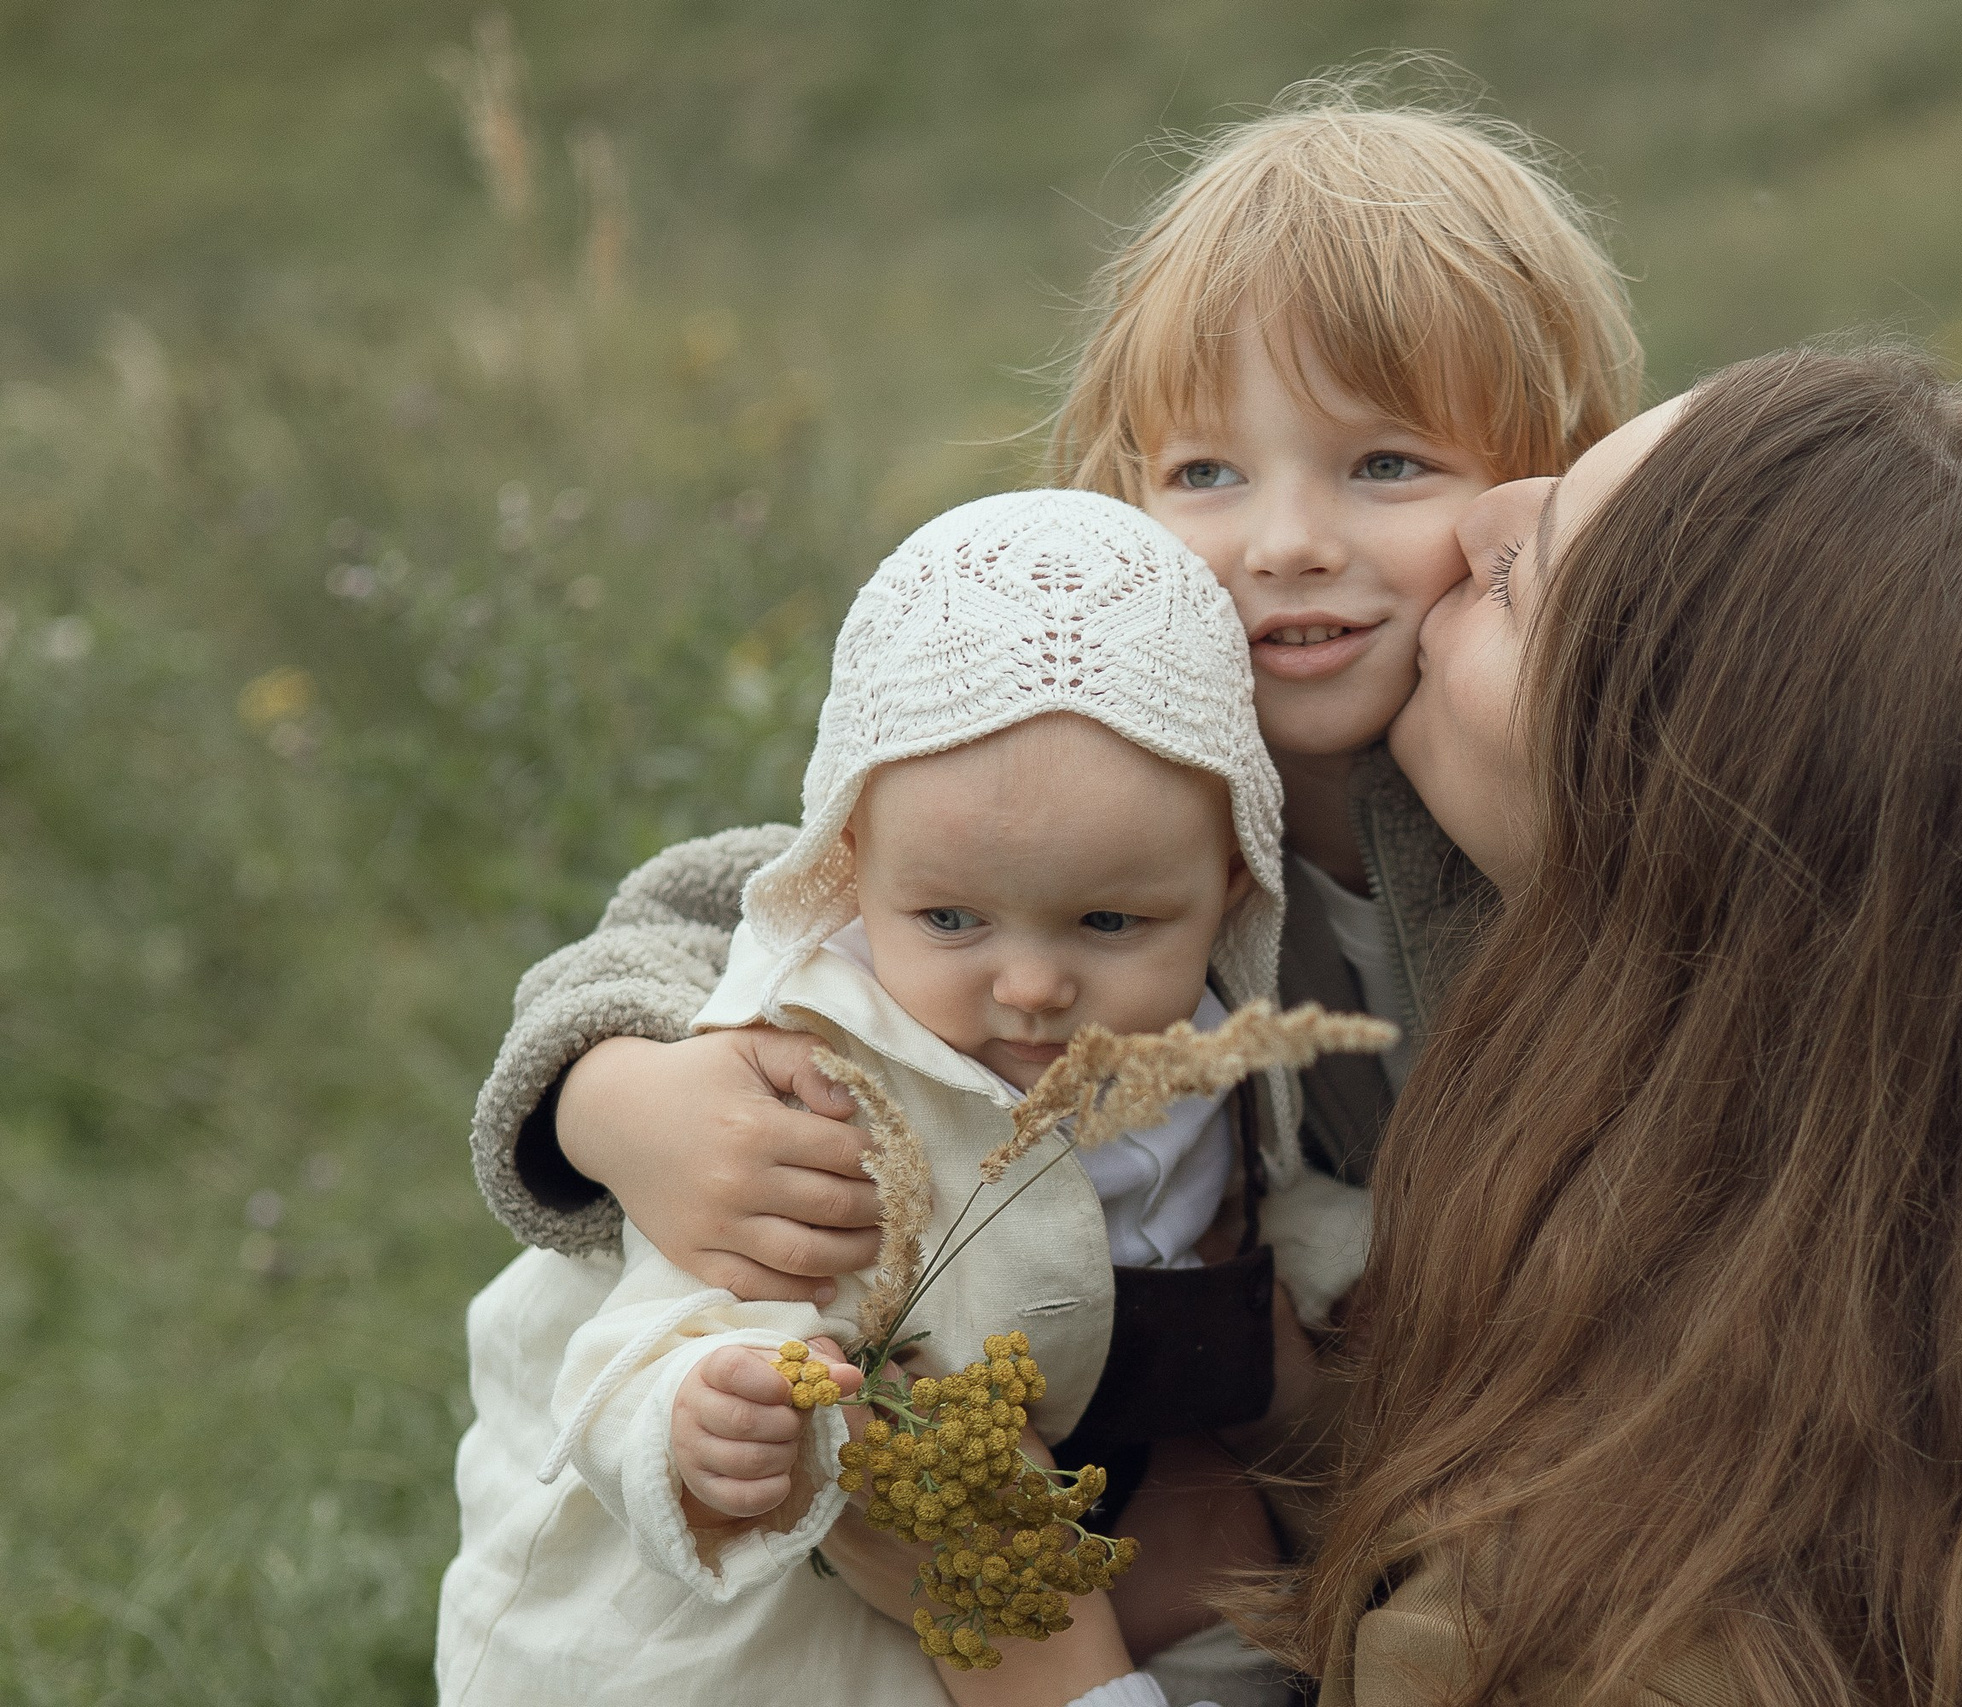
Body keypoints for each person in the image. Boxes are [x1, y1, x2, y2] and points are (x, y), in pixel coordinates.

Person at [837, 346, 1962, 1706]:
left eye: (1525, 579)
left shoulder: (1549, 1620)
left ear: (1658, 822)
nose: (1481, 519)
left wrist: (1021, 1615)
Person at [458, 86, 1644, 1683]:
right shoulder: (1094, 741)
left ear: (1532, 500)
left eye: (1384, 462)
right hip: (964, 1381)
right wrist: (617, 1102)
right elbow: (736, 901)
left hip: (1298, 1388)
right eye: (1209, 471)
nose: (1286, 542)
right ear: (1121, 491)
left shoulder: (1546, 808)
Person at [434, 491, 1375, 1705]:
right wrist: (696, 1410)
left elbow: (1238, 1215)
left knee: (1234, 1599)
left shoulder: (1211, 1055)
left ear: (1232, 891)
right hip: (771, 1574)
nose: (1032, 988)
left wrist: (1349, 1260)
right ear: (850, 868)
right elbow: (656, 1313)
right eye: (950, 919)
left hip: (1058, 1494)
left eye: (1110, 922)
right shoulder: (816, 1072)